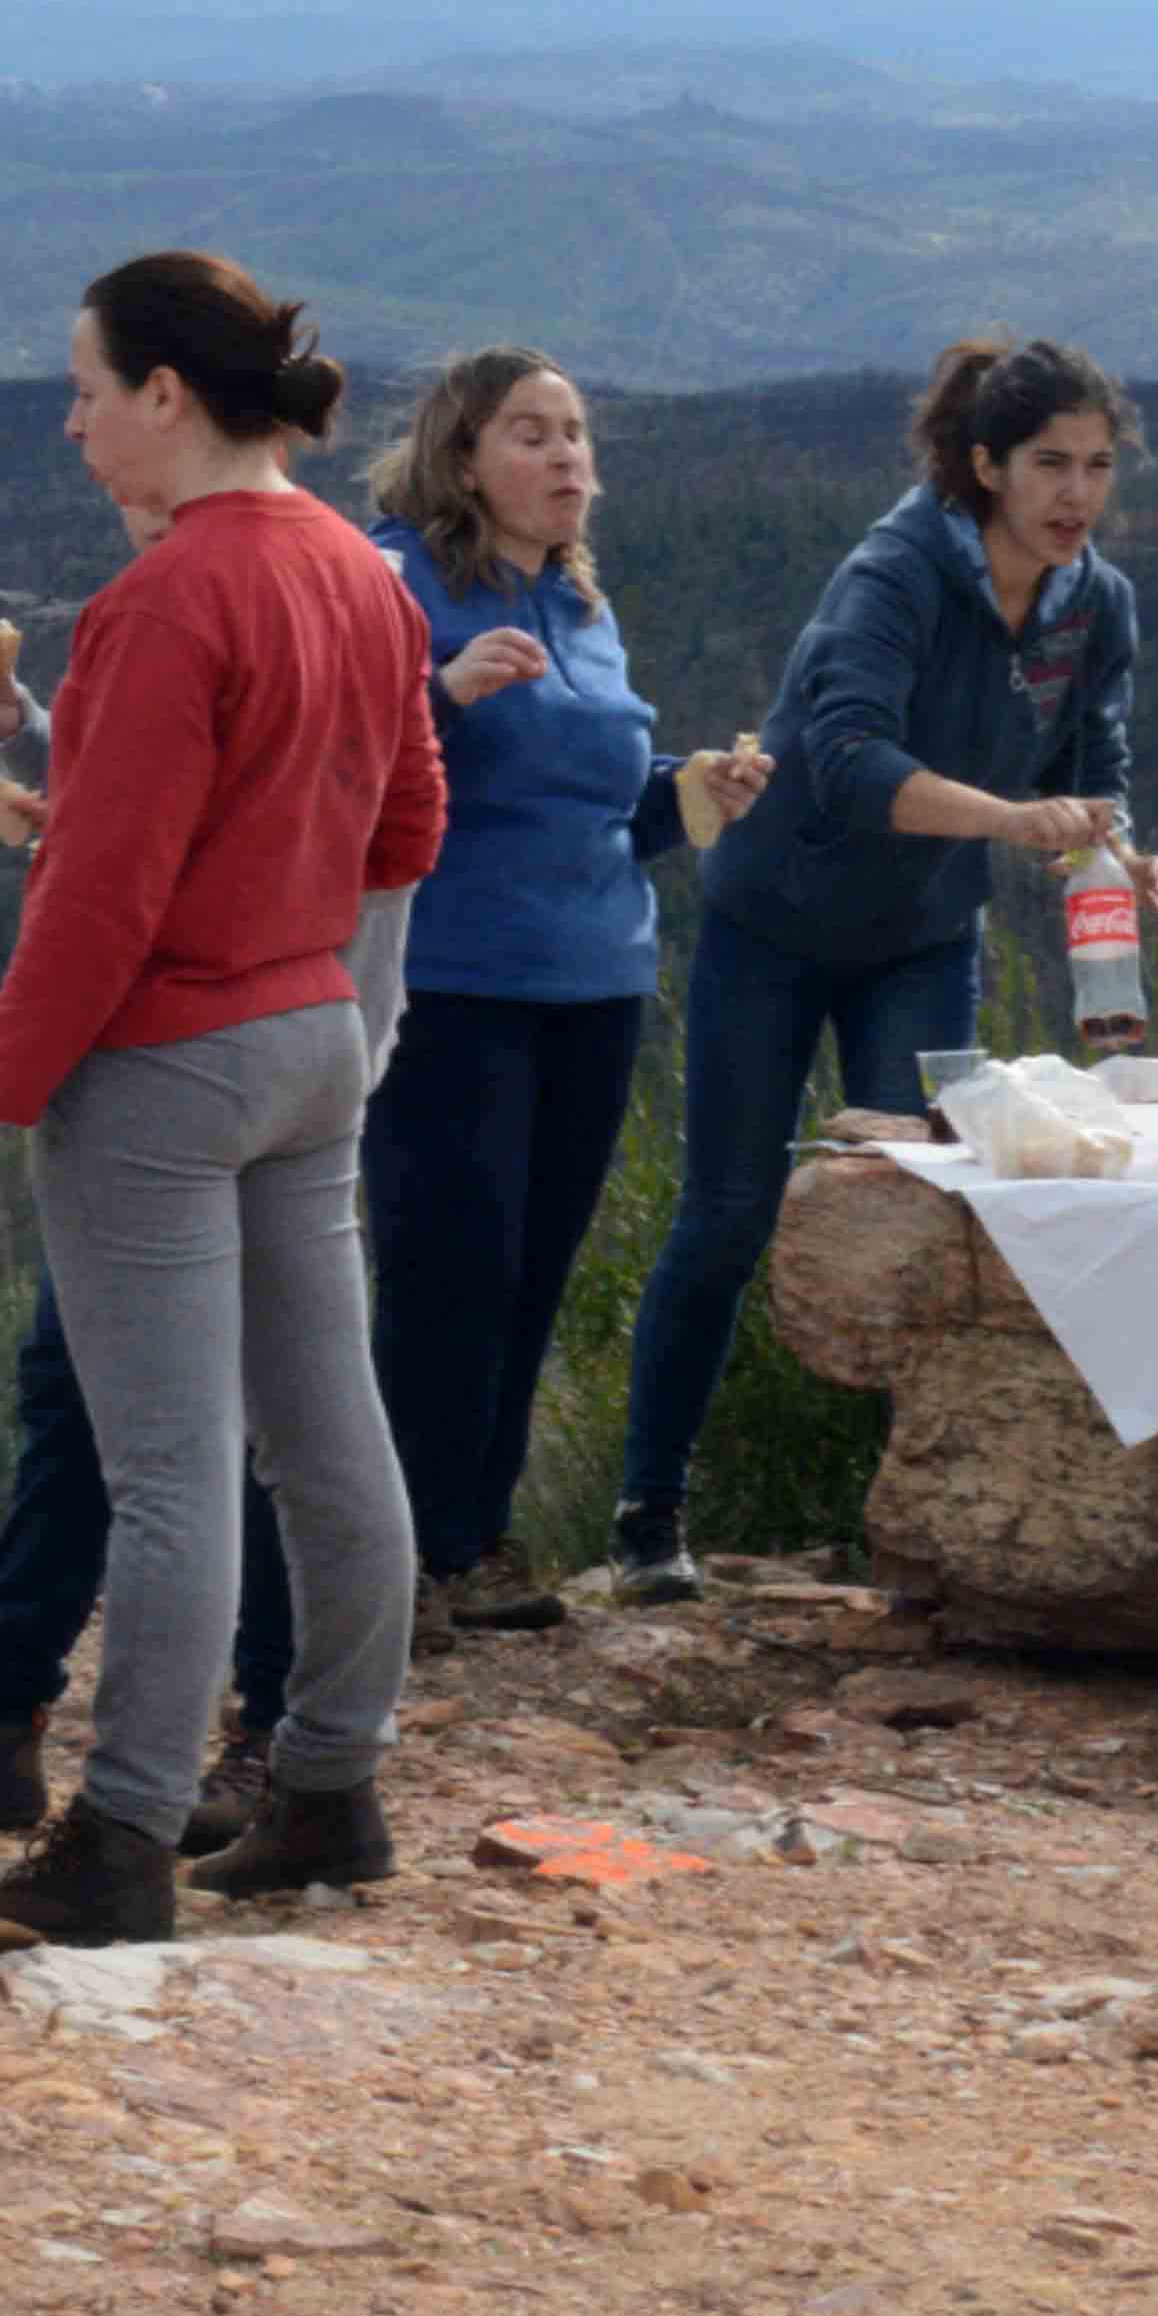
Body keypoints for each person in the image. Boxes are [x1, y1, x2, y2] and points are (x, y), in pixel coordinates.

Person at [0, 256, 446, 1943]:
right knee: (330, 1432)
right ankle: (329, 1788)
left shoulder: (163, 599)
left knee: (169, 1467)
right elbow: (409, 822)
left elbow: (102, 904)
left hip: (161, 1066)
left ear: (167, 393)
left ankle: (121, 1840)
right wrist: (317, 958)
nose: (72, 425)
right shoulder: (362, 573)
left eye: (85, 389)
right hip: (311, 1041)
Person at [602, 341, 1141, 1607]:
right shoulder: (892, 571)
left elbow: (1095, 755)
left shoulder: (1093, 600)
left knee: (929, 1215)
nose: (1076, 493)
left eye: (1099, 466)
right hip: (777, 920)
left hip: (922, 933)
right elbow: (842, 759)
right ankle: (647, 1512)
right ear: (985, 465)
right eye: (1050, 464)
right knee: (730, 1211)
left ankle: (930, 1527)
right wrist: (1016, 824)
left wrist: (1108, 848)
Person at [359, 350, 765, 1629]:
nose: (566, 457)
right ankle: (392, 1563)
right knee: (445, 1275)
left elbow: (604, 814)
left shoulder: (583, 606)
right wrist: (440, 696)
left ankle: (470, 1545)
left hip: (593, 980)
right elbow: (333, 766)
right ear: (461, 457)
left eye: (578, 433)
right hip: (450, 980)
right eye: (530, 434)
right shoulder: (398, 578)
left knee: (533, 1273)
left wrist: (695, 794)